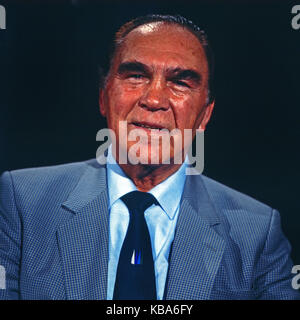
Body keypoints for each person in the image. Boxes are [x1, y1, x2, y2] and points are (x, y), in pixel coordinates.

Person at [0, 14, 299, 300]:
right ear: (103, 97)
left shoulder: (256, 233)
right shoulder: (23, 202)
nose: (154, 100)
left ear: (205, 115)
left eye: (180, 82)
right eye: (136, 76)